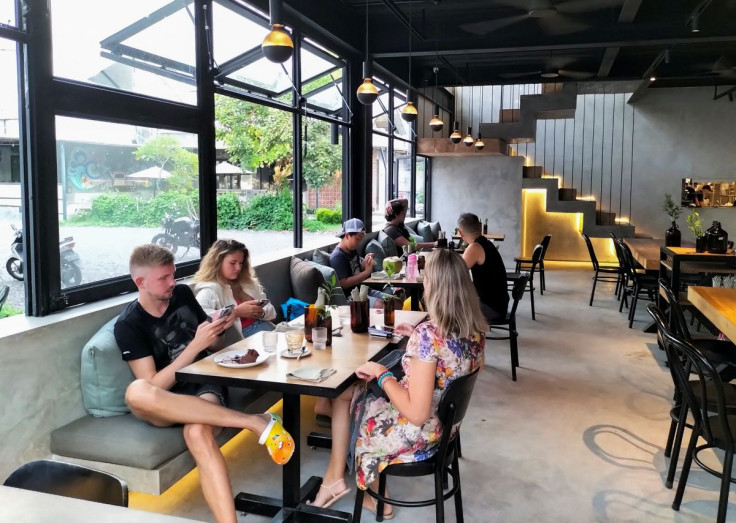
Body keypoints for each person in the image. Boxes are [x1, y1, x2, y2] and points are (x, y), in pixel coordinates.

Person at [114, 244, 294, 523]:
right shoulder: (129, 324)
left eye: (173, 275)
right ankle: (255, 422)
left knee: (197, 433)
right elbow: (153, 385)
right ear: (140, 282)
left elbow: (215, 346)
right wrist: (194, 346)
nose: (173, 283)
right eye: (164, 278)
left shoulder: (183, 294)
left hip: (203, 385)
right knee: (137, 391)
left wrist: (215, 332)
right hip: (165, 401)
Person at [308, 249, 486, 519]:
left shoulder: (428, 337)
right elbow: (449, 367)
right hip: (448, 430)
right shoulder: (474, 332)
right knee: (352, 394)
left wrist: (382, 373)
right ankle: (336, 477)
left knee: (353, 399)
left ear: (434, 286)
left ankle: (372, 497)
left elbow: (416, 414)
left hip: (421, 434)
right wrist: (416, 339)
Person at [193, 239, 276, 339]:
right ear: (217, 263)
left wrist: (261, 312)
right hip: (241, 340)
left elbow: (272, 312)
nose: (238, 268)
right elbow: (200, 318)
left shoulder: (247, 282)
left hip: (266, 328)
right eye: (233, 263)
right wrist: (236, 312)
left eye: (241, 263)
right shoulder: (209, 289)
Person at [330, 218, 398, 309]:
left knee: (396, 302)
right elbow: (344, 283)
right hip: (352, 297)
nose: (359, 242)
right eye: (357, 239)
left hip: (364, 290)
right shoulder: (338, 256)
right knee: (384, 306)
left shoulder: (352, 250)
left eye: (361, 240)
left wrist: (366, 262)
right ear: (347, 235)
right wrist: (366, 272)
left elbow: (357, 270)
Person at [457, 213, 509, 321]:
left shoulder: (475, 247)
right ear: (480, 228)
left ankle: (459, 337)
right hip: (499, 305)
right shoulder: (487, 243)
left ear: (461, 233)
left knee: (450, 308)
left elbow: (456, 272)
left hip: (491, 308)